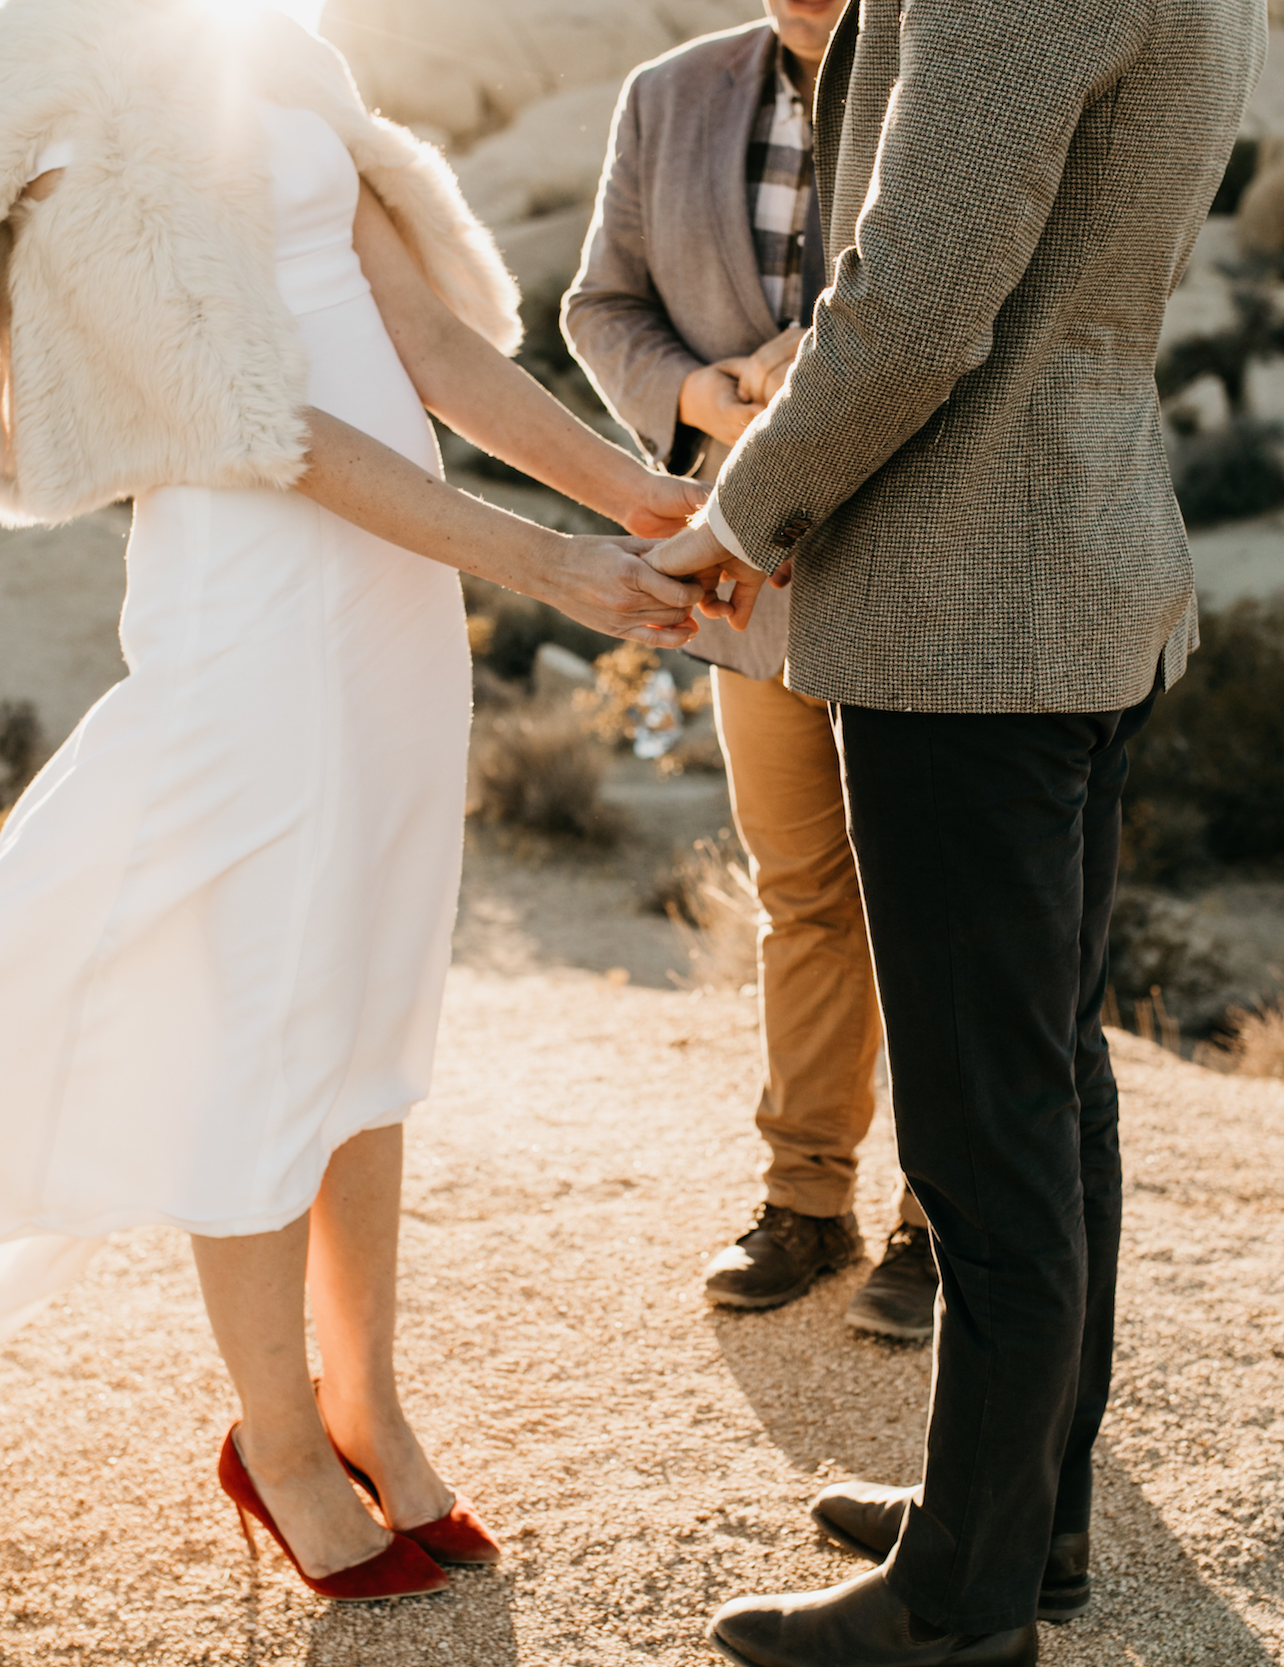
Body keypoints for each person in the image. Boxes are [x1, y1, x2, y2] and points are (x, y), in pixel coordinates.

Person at [0, 0, 705, 1608]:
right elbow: (235, 406)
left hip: (403, 600)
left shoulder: (280, 47)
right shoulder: (49, 77)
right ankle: (278, 1439)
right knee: (263, 1011)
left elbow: (433, 346)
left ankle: (369, 1406)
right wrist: (548, 566)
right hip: (257, 598)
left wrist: (648, 504)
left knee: (369, 1006)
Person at [649, 1, 1268, 1662]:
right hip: (1086, 574)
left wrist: (741, 518)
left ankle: (965, 1605)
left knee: (991, 1125)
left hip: (970, 616)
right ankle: (1019, 1512)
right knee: (1049, 1086)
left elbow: (916, 305)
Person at [563, 0, 935, 1342]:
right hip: (747, 575)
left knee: (937, 908)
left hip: (923, 557)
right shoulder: (673, 94)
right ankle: (807, 1201)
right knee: (804, 898)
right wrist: (708, 400)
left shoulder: (948, 55)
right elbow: (598, 302)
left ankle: (940, 1225)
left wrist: (807, 395)